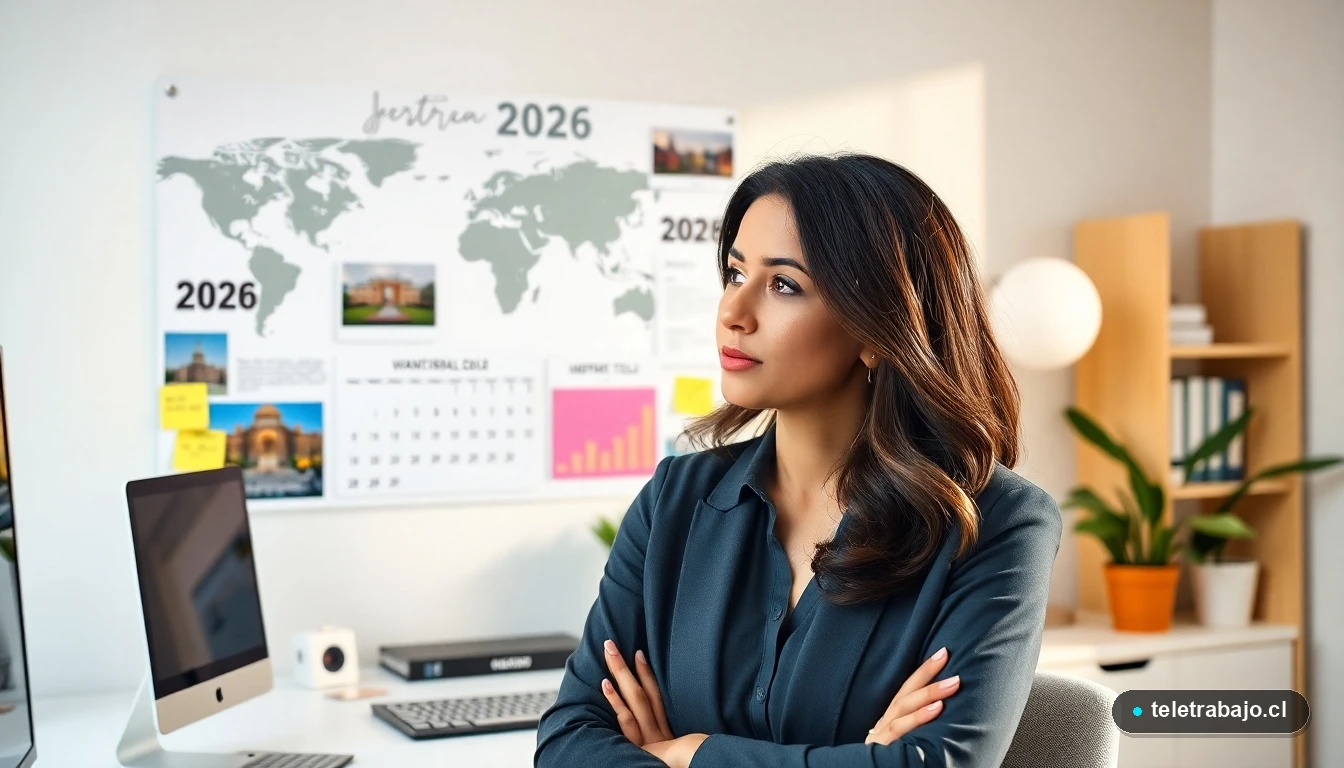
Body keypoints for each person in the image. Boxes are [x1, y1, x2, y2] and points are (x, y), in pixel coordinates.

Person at [534, 154, 1063, 768]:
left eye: (784, 285)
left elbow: (941, 764)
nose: (734, 312)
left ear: (878, 330)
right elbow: (569, 742)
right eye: (735, 274)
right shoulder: (673, 502)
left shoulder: (998, 523)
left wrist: (690, 754)